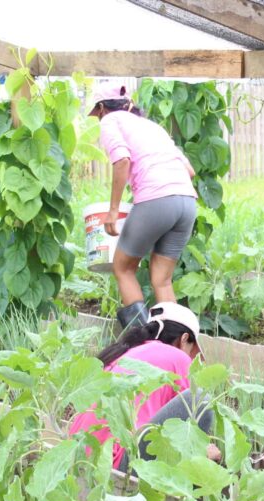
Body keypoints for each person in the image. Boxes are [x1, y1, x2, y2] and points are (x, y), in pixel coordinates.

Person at [89, 82, 198, 329]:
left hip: (156, 201)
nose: (98, 119)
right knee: (162, 280)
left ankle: (142, 346)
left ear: (102, 108)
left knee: (123, 267)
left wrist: (113, 211)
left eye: (97, 114)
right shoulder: (152, 127)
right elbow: (189, 171)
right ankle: (174, 347)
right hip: (186, 203)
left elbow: (122, 161)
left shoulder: (110, 121)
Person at [68, 302, 219, 471]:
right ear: (184, 339)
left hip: (78, 459)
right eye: (191, 349)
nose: (191, 358)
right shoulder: (177, 357)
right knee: (200, 399)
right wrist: (202, 451)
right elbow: (189, 426)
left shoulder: (124, 352)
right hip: (115, 465)